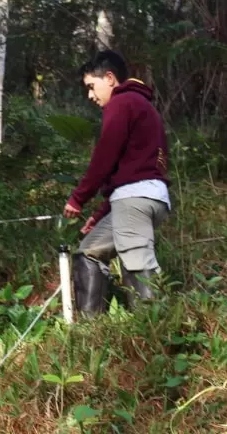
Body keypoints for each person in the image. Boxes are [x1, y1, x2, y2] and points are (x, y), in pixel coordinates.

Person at [63, 50, 170, 315]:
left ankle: (153, 335)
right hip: (146, 198)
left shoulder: (122, 103)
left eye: (91, 86)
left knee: (137, 266)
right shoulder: (144, 107)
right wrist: (99, 215)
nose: (90, 95)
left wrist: (78, 198)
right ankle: (92, 333)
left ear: (109, 78)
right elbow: (128, 171)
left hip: (135, 200)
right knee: (89, 251)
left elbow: (105, 156)